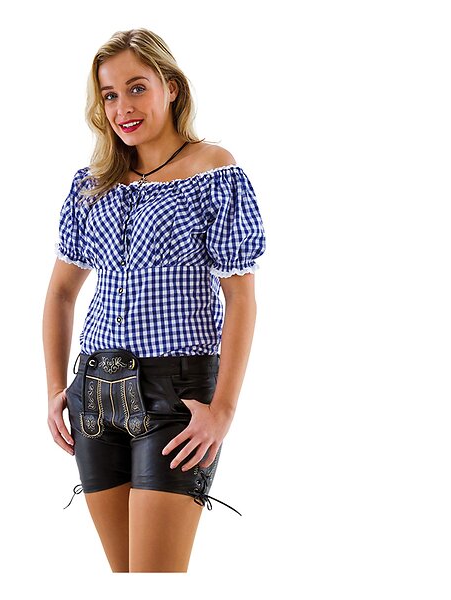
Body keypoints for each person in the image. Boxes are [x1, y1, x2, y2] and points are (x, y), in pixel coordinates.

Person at [43, 28, 266, 573]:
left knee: (156, 579)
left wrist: (224, 410)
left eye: (137, 88)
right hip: (95, 393)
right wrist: (55, 390)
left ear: (171, 87)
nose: (123, 107)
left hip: (178, 395)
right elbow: (61, 293)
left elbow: (240, 298)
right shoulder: (93, 183)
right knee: (126, 579)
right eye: (110, 94)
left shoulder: (213, 169)